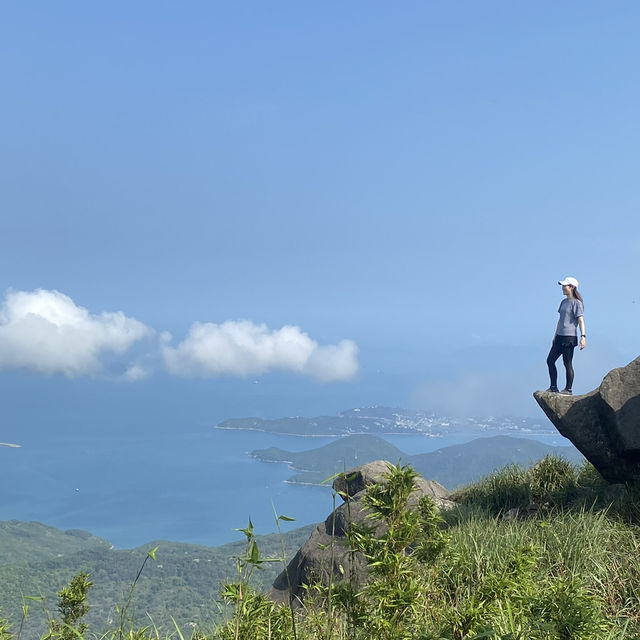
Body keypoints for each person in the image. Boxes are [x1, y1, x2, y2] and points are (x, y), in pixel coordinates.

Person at [546, 277, 586, 395]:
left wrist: (583, 336)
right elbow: (560, 320)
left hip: (569, 337)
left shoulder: (577, 303)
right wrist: (555, 335)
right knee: (550, 361)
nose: (563, 288)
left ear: (572, 287)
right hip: (559, 336)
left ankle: (568, 389)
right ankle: (553, 387)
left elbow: (581, 320)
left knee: (567, 363)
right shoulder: (563, 302)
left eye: (565, 286)